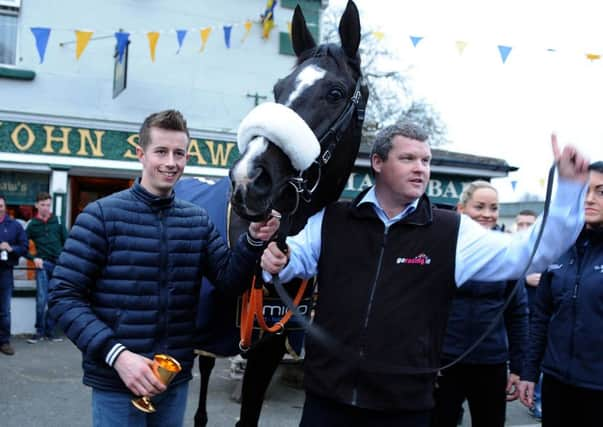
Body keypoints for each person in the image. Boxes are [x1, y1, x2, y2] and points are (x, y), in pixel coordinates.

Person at [261, 123, 589, 427]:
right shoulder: (333, 219)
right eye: (408, 158)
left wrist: (570, 191)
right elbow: (293, 258)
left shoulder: (452, 231)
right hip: (327, 399)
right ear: (377, 162)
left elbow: (528, 254)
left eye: (426, 160)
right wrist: (278, 259)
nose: (421, 168)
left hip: (405, 407)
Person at [47, 110, 279, 427]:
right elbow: (63, 297)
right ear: (141, 154)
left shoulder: (197, 220)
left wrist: (253, 240)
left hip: (174, 380)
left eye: (179, 153)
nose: (171, 162)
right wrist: (118, 355)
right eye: (161, 151)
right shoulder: (100, 216)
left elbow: (228, 281)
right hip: (118, 380)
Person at [431, 181, 528, 427]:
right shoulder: (443, 248)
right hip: (445, 362)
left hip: (491, 362)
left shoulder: (507, 253)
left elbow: (517, 313)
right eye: (480, 206)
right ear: (462, 209)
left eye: (493, 208)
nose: (487, 214)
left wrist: (518, 367)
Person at [518, 161, 603, 427]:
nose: (589, 199)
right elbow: (541, 317)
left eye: (601, 191)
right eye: (584, 191)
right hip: (556, 383)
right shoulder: (558, 247)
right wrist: (529, 373)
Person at [25, 191, 68, 343]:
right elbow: (22, 246)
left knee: (54, 299)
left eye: (48, 205)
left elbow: (67, 242)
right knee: (41, 299)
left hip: (58, 265)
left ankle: (51, 332)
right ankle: (39, 332)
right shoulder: (32, 224)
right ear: (37, 205)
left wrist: (65, 260)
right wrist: (33, 258)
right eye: (43, 205)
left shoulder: (58, 221)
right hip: (42, 264)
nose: (46, 208)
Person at [0, 194, 28, 355]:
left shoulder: (15, 226)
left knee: (4, 309)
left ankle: (4, 342)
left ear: (5, 207)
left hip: (5, 271)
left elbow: (24, 246)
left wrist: (11, 249)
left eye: (1, 205)